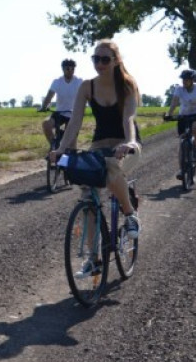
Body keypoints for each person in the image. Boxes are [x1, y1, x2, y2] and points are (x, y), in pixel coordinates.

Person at [48, 39, 142, 238]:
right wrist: (61, 149)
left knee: (111, 167)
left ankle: (130, 214)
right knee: (87, 194)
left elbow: (128, 119)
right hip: (99, 144)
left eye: (105, 59)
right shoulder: (87, 87)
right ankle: (94, 259)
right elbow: (74, 123)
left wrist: (129, 142)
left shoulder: (126, 85)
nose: (99, 64)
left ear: (116, 61)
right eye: (95, 59)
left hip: (127, 143)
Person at [166, 70, 196, 166]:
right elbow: (174, 102)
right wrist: (168, 114)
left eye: (186, 79)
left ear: (192, 80)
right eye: (183, 79)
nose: (184, 81)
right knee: (182, 140)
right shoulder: (179, 89)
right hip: (184, 115)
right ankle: (182, 169)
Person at [38, 59, 82, 148]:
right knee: (46, 124)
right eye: (68, 69)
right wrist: (43, 107)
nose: (70, 71)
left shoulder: (79, 81)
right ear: (63, 69)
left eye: (73, 69)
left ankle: (71, 155)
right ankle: (54, 145)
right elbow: (49, 96)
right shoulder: (57, 81)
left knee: (72, 145)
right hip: (59, 113)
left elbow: (86, 96)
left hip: (73, 115)